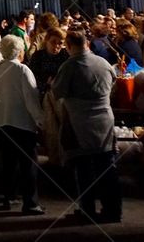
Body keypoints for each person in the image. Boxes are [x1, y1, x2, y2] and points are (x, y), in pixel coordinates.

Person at [52, 30, 122, 223]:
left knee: (84, 170)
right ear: (87, 44)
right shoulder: (103, 63)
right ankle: (114, 211)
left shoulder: (70, 66)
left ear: (69, 45)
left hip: (79, 122)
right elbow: (114, 84)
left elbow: (58, 92)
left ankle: (88, 211)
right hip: (105, 121)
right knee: (107, 167)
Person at [0, 34, 45, 215]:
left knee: (8, 162)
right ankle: (31, 203)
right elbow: (31, 99)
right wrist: (41, 121)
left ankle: (9, 196)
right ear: (19, 51)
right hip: (21, 123)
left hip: (1, 121)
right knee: (28, 164)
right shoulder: (23, 70)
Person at [28, 27, 69, 167]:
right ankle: (53, 158)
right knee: (49, 130)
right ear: (46, 41)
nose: (57, 46)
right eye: (53, 42)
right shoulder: (38, 56)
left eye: (60, 43)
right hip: (43, 97)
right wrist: (45, 84)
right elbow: (31, 78)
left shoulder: (65, 56)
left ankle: (64, 158)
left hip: (63, 99)